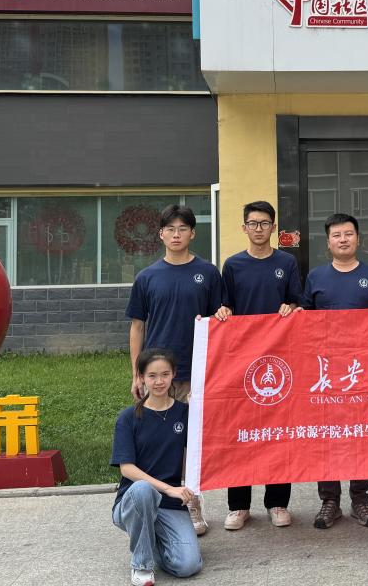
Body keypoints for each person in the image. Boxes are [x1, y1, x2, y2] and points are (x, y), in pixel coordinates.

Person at [126, 204, 222, 536]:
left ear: (193, 233)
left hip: (197, 374)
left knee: (191, 444)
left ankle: (192, 504)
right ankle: (159, 504)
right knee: (160, 442)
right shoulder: (147, 277)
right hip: (158, 376)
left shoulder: (208, 273)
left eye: (183, 229)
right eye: (170, 229)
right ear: (161, 234)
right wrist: (137, 374)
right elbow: (137, 327)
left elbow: (219, 321)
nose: (177, 234)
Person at [299, 212, 368, 530]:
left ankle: (360, 499)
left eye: (348, 234)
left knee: (362, 435)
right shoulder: (316, 277)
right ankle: (329, 501)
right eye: (337, 235)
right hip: (326, 373)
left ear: (358, 239)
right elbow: (304, 321)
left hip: (363, 371)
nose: (343, 239)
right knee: (326, 436)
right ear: (328, 242)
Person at [214, 200, 302, 531]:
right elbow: (225, 306)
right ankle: (239, 506)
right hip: (241, 360)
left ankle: (277, 503)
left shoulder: (286, 262)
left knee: (279, 432)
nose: (259, 229)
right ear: (244, 228)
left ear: (273, 227)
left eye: (265, 223)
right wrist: (223, 311)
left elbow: (299, 302)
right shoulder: (233, 265)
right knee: (241, 432)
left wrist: (291, 307)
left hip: (280, 359)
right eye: (253, 223)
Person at [111, 348, 202, 586]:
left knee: (188, 565)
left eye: (165, 374)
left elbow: (202, 449)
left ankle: (150, 541)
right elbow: (127, 469)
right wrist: (169, 488)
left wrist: (201, 406)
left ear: (174, 375)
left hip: (170, 504)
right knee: (143, 489)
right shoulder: (128, 418)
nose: (159, 381)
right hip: (133, 500)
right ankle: (142, 565)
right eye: (152, 375)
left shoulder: (185, 413)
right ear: (141, 377)